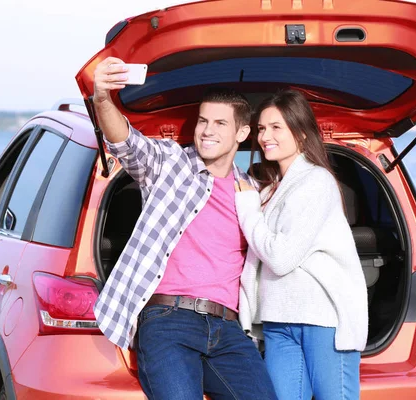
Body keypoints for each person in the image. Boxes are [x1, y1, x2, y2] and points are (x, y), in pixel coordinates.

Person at [91, 57, 277, 400]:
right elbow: (126, 142)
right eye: (204, 120)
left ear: (242, 132)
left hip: (229, 328)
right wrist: (103, 98)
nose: (208, 130)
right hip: (167, 319)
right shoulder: (170, 163)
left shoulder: (250, 192)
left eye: (221, 123)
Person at [235, 89, 368, 400]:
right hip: (278, 320)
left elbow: (280, 258)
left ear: (302, 133)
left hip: (320, 318)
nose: (265, 135)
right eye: (261, 128)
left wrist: (248, 208)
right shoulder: (268, 192)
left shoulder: (316, 182)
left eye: (276, 127)